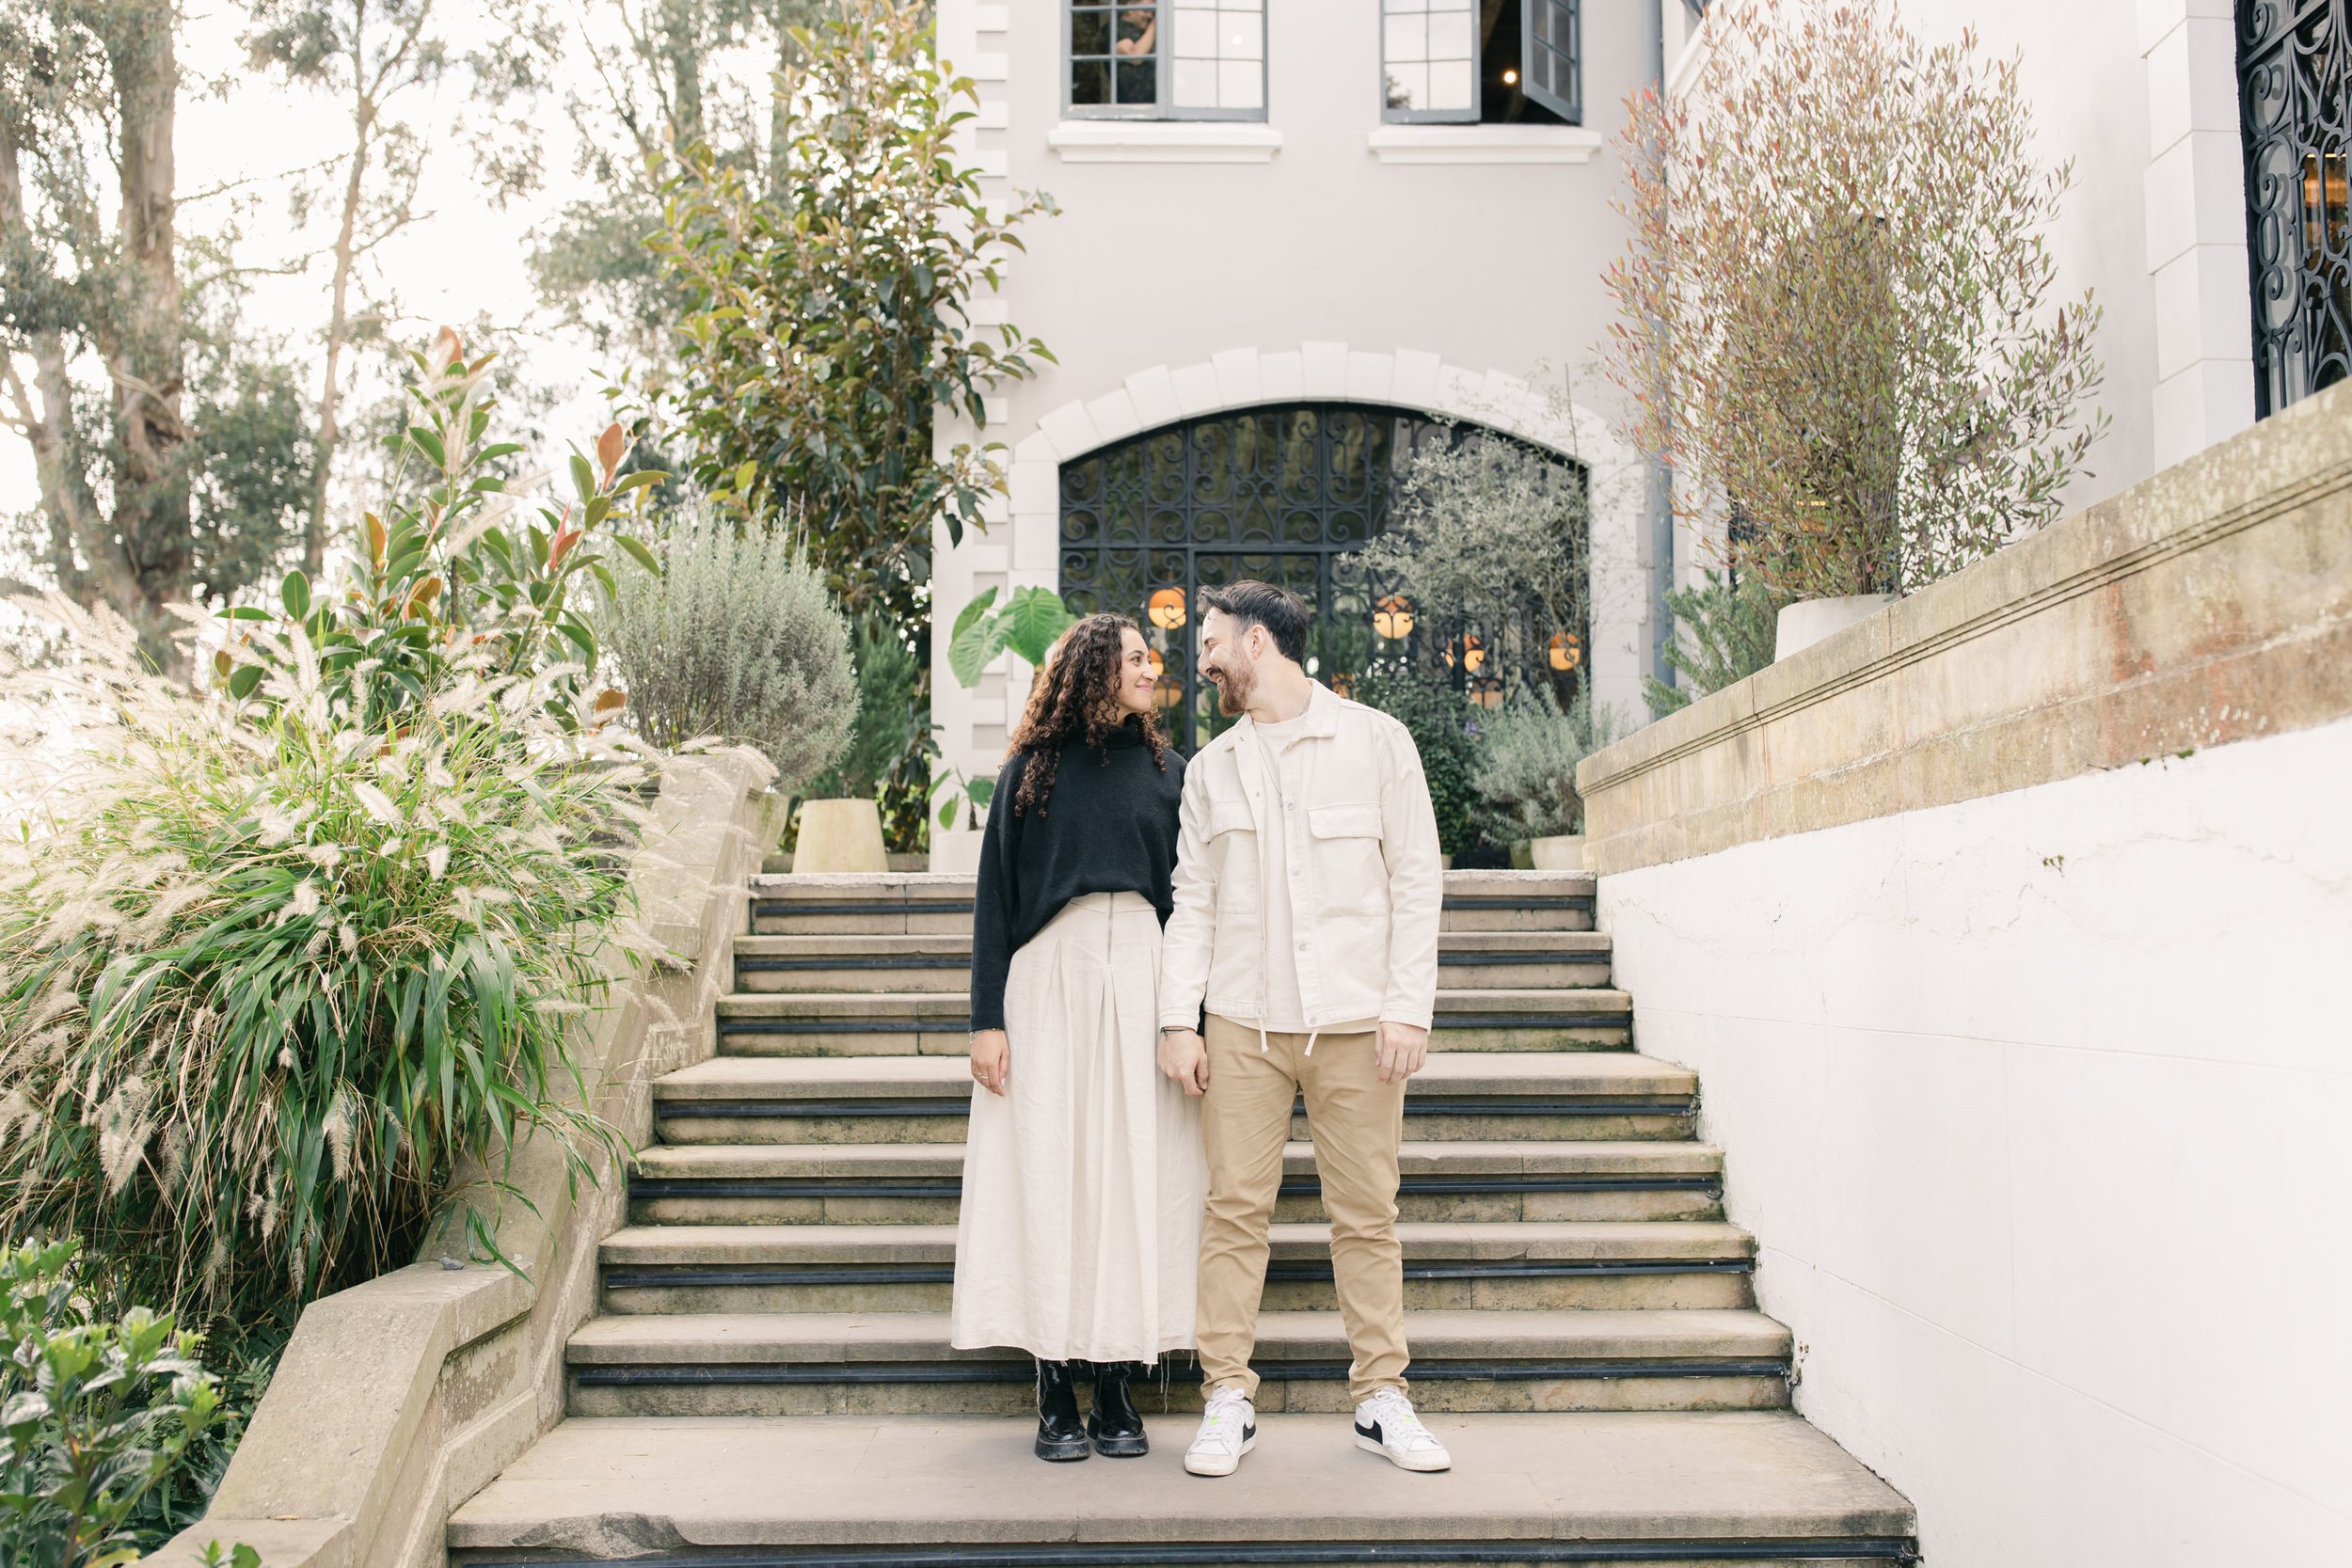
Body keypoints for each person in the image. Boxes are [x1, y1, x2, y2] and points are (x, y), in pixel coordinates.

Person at [1154, 580, 1453, 1478]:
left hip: (1359, 1022)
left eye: (1210, 641)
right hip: (1241, 1022)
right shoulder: (1212, 769)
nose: (1200, 657)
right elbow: (1193, 901)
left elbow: (1415, 881)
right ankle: (1226, 1396)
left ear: (1254, 643)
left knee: (1366, 1214)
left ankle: (1381, 1398)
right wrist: (1179, 1018)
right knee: (1233, 1213)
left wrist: (1408, 1006)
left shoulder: (1376, 743)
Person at [950, 613, 1205, 1463]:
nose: (1151, 666)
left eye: (1149, 656)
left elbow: (1196, 906)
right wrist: (987, 1020)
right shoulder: (1033, 770)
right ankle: (1054, 1379)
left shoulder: (1174, 771)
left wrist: (1188, 1018)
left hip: (1143, 976)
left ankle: (1117, 1380)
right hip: (1046, 985)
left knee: (1136, 1174)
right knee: (1051, 1172)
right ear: (1093, 670)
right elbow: (993, 902)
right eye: (1134, 656)